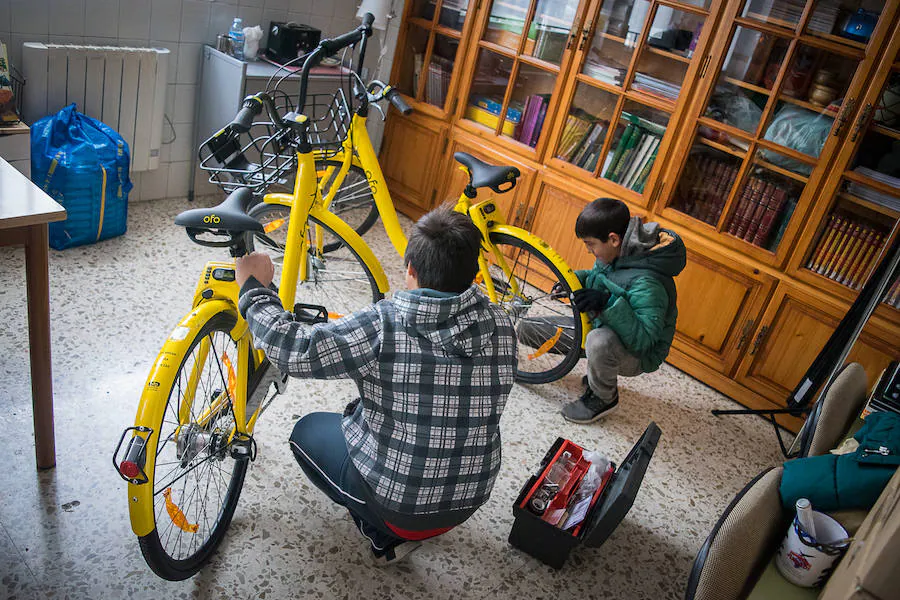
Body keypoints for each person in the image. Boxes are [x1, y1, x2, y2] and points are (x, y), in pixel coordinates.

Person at [235, 207, 517, 565]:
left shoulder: (384, 324)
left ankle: (382, 533)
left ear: (410, 268)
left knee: (306, 431)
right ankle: (401, 523)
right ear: (475, 275)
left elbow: (294, 351)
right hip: (469, 498)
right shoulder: (502, 324)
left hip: (399, 507)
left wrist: (254, 290)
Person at [561, 198, 686, 424]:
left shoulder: (648, 282)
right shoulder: (615, 252)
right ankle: (597, 369)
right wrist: (571, 281)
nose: (588, 250)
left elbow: (644, 340)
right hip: (605, 323)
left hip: (637, 354)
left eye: (590, 244)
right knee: (530, 330)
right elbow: (596, 278)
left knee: (598, 341)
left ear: (613, 239)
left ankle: (603, 397)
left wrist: (607, 303)